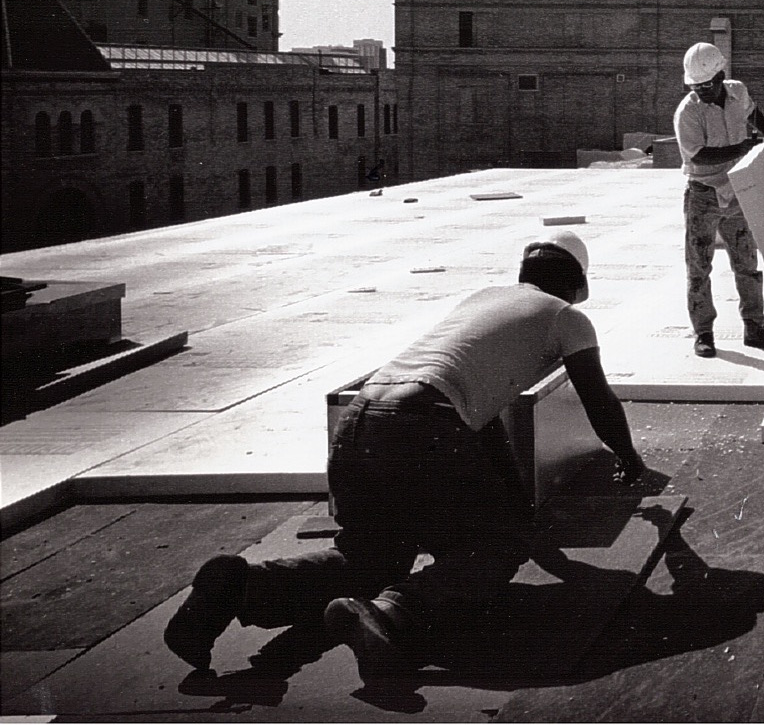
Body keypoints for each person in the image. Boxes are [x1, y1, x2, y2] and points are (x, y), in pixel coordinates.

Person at [163, 230, 647, 681]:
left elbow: (483, 424)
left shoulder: (484, 301)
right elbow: (597, 398)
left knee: (371, 556)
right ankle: (392, 614)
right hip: (424, 423)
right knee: (493, 549)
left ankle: (242, 586)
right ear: (577, 283)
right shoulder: (566, 317)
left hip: (359, 419)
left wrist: (512, 504)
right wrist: (628, 457)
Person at [672, 41, 764, 358]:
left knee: (747, 264)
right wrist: (741, 149)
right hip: (703, 195)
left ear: (721, 76)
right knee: (699, 268)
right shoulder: (688, 112)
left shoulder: (737, 92)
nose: (703, 91)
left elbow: (754, 112)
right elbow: (698, 156)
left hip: (738, 193)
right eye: (696, 86)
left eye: (708, 84)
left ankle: (755, 328)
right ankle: (704, 333)